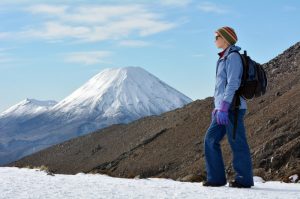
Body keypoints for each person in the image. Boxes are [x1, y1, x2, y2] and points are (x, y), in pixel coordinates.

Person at [202, 26, 254, 188]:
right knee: (210, 140)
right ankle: (216, 178)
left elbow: (233, 84)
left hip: (233, 107)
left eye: (217, 37)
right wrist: (217, 107)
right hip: (222, 109)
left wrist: (224, 107)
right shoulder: (223, 58)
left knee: (237, 142)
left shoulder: (233, 57)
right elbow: (220, 87)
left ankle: (244, 179)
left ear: (225, 38)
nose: (214, 40)